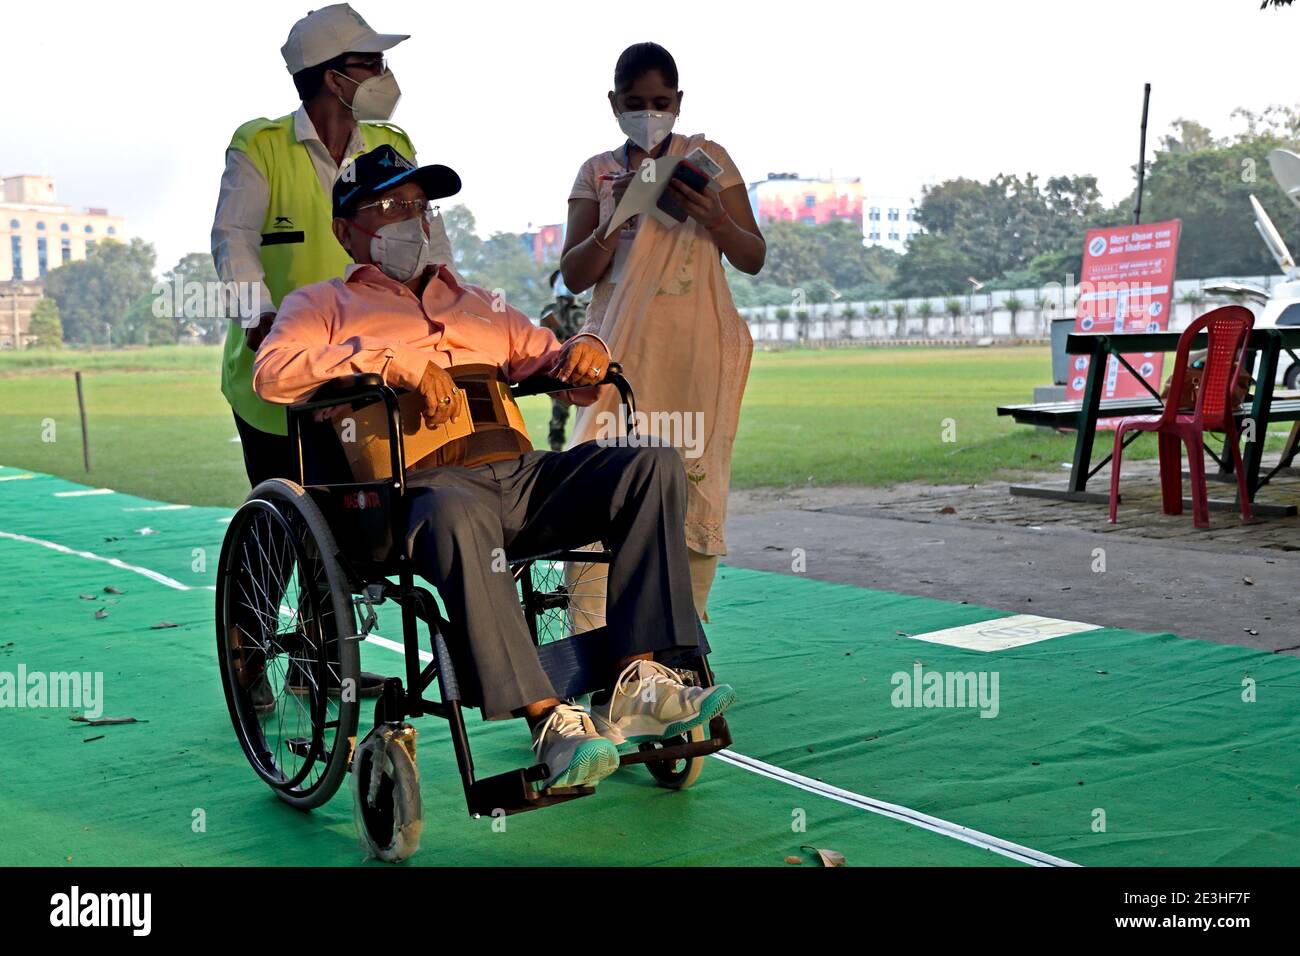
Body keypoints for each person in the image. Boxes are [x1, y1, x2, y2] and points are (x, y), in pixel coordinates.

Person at [251, 147, 736, 790]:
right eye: (390, 207)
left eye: (420, 208)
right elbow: (272, 374)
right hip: (421, 487)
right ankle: (550, 723)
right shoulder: (321, 305)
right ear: (346, 229)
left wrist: (586, 350)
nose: (411, 220)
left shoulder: (477, 303)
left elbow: (559, 365)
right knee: (453, 511)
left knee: (648, 463)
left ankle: (637, 675)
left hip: (520, 475)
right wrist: (389, 362)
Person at [560, 41, 766, 622]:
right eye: (634, 102)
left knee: (690, 490)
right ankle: (598, 649)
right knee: (593, 483)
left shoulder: (708, 158)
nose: (647, 112)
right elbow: (574, 275)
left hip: (692, 355)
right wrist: (616, 219)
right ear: (613, 103)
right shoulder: (596, 172)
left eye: (659, 101)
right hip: (616, 355)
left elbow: (752, 256)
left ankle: (686, 653)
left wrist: (714, 216)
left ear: (678, 101)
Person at [211, 3, 451, 488]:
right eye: (372, 64)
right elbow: (232, 238)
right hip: (283, 371)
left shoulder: (390, 144)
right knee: (287, 524)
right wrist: (260, 318)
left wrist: (450, 311)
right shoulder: (262, 145)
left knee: (373, 521)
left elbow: (430, 241)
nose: (386, 75)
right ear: (332, 78)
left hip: (376, 368)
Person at [539, 269, 589, 451]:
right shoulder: (550, 311)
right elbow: (546, 339)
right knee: (558, 416)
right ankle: (556, 451)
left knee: (586, 415)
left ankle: (584, 452)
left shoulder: (586, 308)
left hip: (582, 368)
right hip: (560, 369)